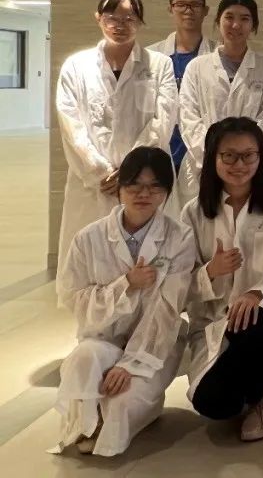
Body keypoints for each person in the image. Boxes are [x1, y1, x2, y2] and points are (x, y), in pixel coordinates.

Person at [53, 147, 195, 457]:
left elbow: (168, 310)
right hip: (103, 338)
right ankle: (88, 422)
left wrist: (130, 364)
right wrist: (126, 285)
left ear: (167, 192)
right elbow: (74, 298)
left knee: (121, 405)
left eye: (155, 186)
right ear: (120, 187)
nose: (144, 194)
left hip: (152, 348)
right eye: (134, 185)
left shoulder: (180, 237)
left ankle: (138, 407)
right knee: (83, 359)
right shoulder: (88, 238)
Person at [182, 117, 263, 441]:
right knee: (212, 404)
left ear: (261, 157)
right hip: (213, 322)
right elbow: (179, 287)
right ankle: (246, 389)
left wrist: (259, 294)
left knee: (253, 318)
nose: (240, 165)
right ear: (213, 158)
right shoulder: (193, 212)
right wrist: (210, 272)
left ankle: (262, 397)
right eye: (229, 156)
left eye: (249, 155)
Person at [56, 0, 177, 264]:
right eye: (112, 17)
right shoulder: (76, 66)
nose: (120, 25)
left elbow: (163, 120)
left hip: (144, 177)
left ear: (140, 22)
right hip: (94, 181)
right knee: (89, 255)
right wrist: (100, 171)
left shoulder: (160, 66)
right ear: (98, 18)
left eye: (129, 18)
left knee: (148, 258)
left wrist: (131, 171)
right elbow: (71, 125)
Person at [178, 0, 263, 207]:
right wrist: (215, 156)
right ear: (218, 21)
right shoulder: (197, 67)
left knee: (248, 222)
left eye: (245, 19)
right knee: (201, 221)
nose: (236, 25)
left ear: (253, 26)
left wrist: (242, 157)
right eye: (229, 17)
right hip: (202, 164)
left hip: (249, 168)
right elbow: (188, 117)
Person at [148, 0, 216, 174]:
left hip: (203, 150)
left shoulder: (218, 55)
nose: (188, 10)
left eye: (195, 5)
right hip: (161, 148)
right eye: (181, 5)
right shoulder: (151, 57)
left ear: (205, 10)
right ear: (170, 9)